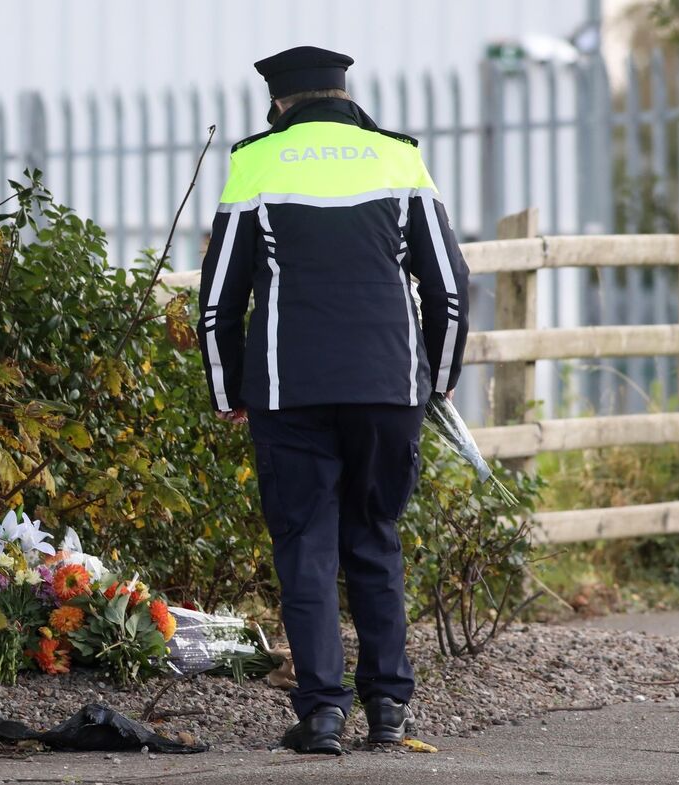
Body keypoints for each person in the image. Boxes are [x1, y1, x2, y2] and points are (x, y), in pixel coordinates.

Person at [196, 45, 470, 755]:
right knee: (375, 537)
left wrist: (229, 389)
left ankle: (321, 713)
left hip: (292, 391)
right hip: (388, 386)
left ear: (279, 103)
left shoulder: (257, 163)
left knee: (306, 548)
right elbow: (445, 287)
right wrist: (436, 378)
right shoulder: (399, 158)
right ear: (345, 94)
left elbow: (221, 296)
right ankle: (388, 709)